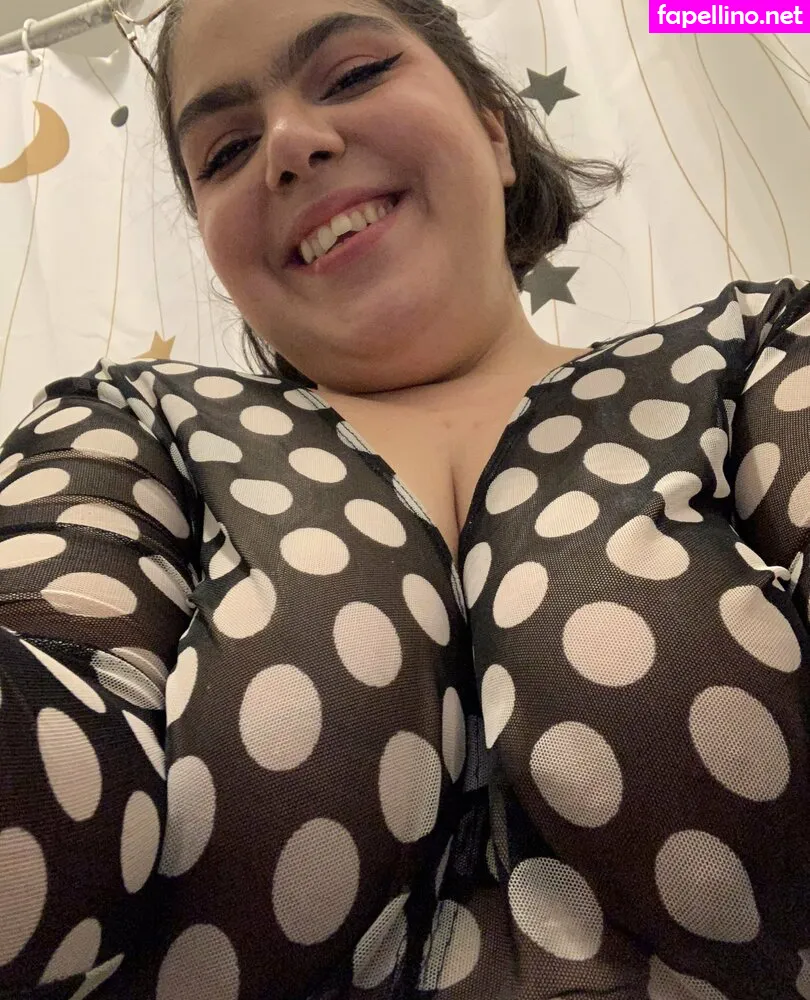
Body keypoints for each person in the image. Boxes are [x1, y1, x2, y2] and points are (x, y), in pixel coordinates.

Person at [0, 0, 808, 995]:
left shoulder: (751, 358)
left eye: (352, 75)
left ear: (495, 131)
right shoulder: (137, 426)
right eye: (226, 151)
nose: (289, 146)